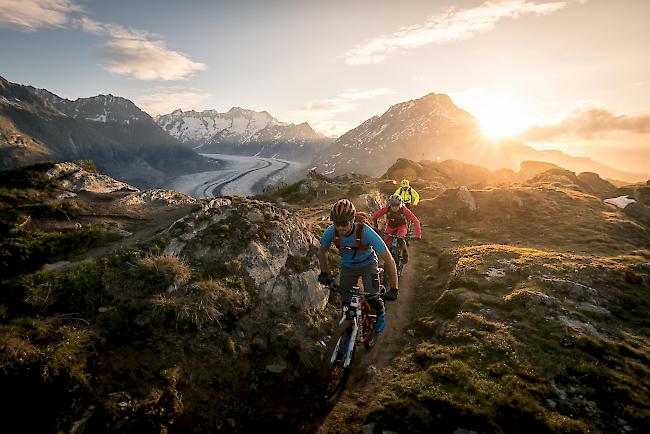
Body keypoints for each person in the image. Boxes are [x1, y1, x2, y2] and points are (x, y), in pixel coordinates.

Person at [318, 199, 400, 334]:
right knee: (346, 305)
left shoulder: (365, 232)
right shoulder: (331, 231)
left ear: (352, 220)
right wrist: (324, 273)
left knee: (372, 297)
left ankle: (380, 313)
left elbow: (389, 259)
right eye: (337, 223)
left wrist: (394, 288)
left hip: (368, 265)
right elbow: (322, 251)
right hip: (348, 267)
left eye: (344, 223)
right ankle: (347, 338)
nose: (340, 227)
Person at [372, 194, 422, 264]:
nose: (394, 208)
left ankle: (404, 252)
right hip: (390, 227)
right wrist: (375, 226)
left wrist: (418, 234)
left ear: (400, 205)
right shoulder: (387, 209)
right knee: (387, 244)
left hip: (401, 227)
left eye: (397, 206)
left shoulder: (404, 210)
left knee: (400, 238)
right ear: (390, 205)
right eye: (393, 206)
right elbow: (375, 216)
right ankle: (388, 260)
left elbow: (415, 221)